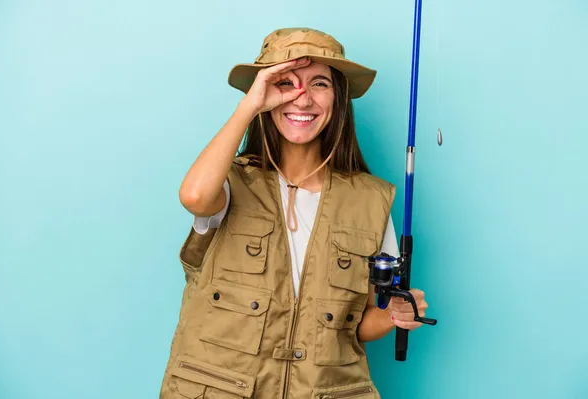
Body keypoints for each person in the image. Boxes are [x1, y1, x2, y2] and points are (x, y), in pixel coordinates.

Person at [160, 27, 430, 399]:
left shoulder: (370, 201)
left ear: (338, 97)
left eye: (319, 83)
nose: (301, 99)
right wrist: (250, 104)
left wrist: (394, 316)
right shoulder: (229, 181)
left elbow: (355, 325)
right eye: (286, 82)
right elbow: (193, 196)